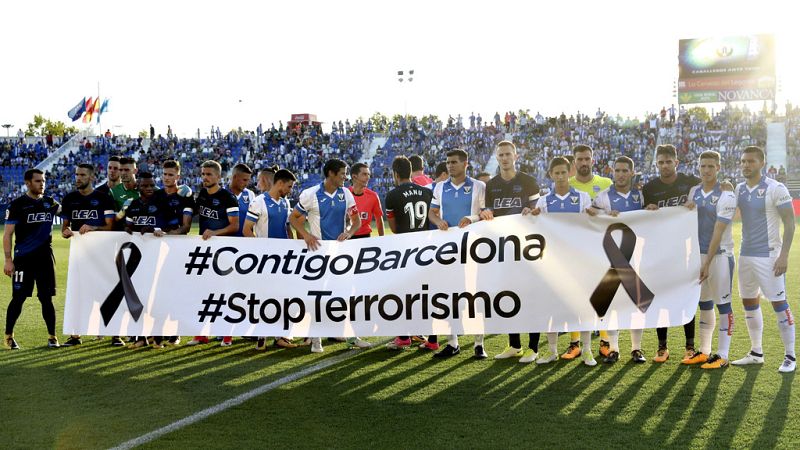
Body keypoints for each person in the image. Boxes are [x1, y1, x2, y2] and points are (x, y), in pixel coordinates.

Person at [289, 158, 369, 353]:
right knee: (318, 297)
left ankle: (352, 337)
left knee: (345, 296)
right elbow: (293, 218)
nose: (345, 177)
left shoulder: (346, 193)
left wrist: (349, 232)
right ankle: (316, 339)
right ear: (331, 174)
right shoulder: (310, 194)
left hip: (340, 255)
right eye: (342, 174)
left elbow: (356, 221)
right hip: (318, 255)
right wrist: (306, 235)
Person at [730, 146, 796, 373]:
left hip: (769, 256)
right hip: (745, 255)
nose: (746, 165)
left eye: (751, 161)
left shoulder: (776, 188)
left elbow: (790, 223)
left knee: (779, 304)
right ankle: (756, 352)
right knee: (749, 303)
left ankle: (790, 356)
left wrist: (783, 255)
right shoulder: (739, 189)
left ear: (762, 163)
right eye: (743, 161)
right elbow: (729, 214)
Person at [529, 156, 598, 366]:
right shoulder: (543, 201)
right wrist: (530, 215)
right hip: (553, 261)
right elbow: (535, 227)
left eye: (563, 172)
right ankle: (551, 351)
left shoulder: (583, 198)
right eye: (556, 173)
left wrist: (595, 214)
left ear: (570, 173)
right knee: (551, 306)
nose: (560, 176)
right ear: (551, 174)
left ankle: (587, 350)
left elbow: (592, 223)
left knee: (583, 306)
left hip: (578, 260)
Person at [481, 141, 541, 363]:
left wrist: (532, 211)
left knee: (530, 295)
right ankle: (514, 344)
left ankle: (533, 347)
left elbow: (539, 210)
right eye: (501, 155)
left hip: (527, 247)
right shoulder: (491, 185)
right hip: (503, 248)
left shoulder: (528, 181)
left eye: (508, 154)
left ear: (516, 156)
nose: (505, 158)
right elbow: (488, 211)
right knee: (507, 296)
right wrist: (486, 213)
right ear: (497, 158)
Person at [426, 148, 488, 359]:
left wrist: (472, 218)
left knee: (475, 295)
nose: (450, 166)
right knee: (449, 295)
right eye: (448, 162)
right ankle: (452, 342)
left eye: (454, 162)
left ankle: (479, 344)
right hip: (448, 250)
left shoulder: (479, 186)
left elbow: (486, 213)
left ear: (465, 164)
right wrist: (438, 221)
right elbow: (432, 212)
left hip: (473, 249)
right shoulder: (440, 187)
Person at [643, 144, 701, 363]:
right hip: (660, 251)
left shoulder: (691, 182)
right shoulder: (649, 188)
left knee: (687, 297)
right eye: (661, 162)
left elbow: (712, 187)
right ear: (656, 164)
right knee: (660, 297)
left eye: (669, 162)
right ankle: (662, 347)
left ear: (676, 162)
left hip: (686, 249)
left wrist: (725, 184)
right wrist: (646, 211)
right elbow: (642, 218)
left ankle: (690, 346)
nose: (665, 166)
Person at [680, 151, 737, 369]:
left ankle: (723, 355)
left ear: (718, 168)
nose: (706, 170)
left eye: (711, 166)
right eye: (703, 166)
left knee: (723, 305)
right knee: (704, 303)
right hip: (698, 255)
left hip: (720, 256)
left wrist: (706, 262)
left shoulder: (726, 194)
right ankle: (704, 351)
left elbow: (718, 232)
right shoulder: (694, 191)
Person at [591, 156, 647, 363]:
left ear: (632, 173)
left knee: (636, 302)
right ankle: (613, 349)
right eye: (618, 170)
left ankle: (636, 349)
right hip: (611, 258)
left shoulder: (640, 196)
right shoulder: (604, 196)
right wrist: (603, 214)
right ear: (612, 172)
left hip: (636, 256)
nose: (621, 174)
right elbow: (591, 215)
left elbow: (650, 218)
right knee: (612, 303)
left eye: (625, 171)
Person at [3, 169, 61, 350]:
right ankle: (8, 336)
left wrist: (68, 226)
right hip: (23, 259)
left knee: (46, 298)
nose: (42, 184)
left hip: (45, 259)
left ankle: (52, 337)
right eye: (38, 181)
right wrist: (8, 260)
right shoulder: (17, 205)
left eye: (43, 180)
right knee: (18, 298)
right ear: (28, 183)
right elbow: (7, 234)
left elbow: (67, 215)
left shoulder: (50, 202)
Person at [59, 164, 116, 347]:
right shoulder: (69, 199)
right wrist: (66, 231)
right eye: (77, 174)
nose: (78, 178)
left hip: (102, 253)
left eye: (82, 175)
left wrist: (93, 227)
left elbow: (110, 227)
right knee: (78, 293)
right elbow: (64, 228)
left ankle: (115, 334)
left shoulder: (104, 198)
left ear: (92, 177)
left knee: (107, 292)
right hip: (80, 255)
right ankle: (75, 335)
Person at [243, 168, 298, 351]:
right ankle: (261, 336)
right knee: (264, 297)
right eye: (289, 186)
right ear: (280, 183)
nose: (290, 190)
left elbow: (287, 229)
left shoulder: (285, 203)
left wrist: (292, 248)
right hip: (265, 260)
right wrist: (261, 251)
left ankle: (281, 336)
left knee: (283, 297)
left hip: (284, 259)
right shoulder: (259, 202)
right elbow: (246, 229)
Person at [186, 160, 240, 347]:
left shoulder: (227, 197)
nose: (205, 177)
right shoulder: (202, 194)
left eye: (209, 174)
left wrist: (215, 233)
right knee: (203, 293)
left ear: (218, 176)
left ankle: (227, 335)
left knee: (223, 294)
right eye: (203, 174)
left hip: (224, 252)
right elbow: (191, 212)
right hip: (205, 251)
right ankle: (202, 334)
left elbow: (235, 226)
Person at [567, 144, 613, 360]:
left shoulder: (606, 184)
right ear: (574, 162)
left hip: (601, 248)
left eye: (587, 159)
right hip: (574, 250)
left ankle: (605, 341)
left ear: (592, 160)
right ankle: (574, 343)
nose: (584, 163)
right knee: (575, 295)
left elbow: (614, 212)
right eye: (580, 159)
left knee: (603, 295)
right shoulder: (566, 185)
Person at [384, 156, 434, 350]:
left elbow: (394, 228)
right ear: (411, 171)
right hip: (426, 249)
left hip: (405, 250)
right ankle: (430, 337)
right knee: (426, 294)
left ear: (396, 174)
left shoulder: (392, 195)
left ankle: (404, 336)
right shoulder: (427, 192)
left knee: (404, 294)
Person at [124, 172, 176, 349]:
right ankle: (141, 337)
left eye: (152, 185)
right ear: (138, 186)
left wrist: (157, 229)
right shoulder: (134, 205)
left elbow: (174, 227)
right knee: (139, 296)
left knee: (157, 297)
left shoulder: (162, 203)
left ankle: (158, 337)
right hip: (137, 258)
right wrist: (128, 228)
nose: (149, 188)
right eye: (145, 185)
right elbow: (128, 225)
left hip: (159, 257)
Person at [348, 163, 384, 239]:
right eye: (364, 174)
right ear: (354, 177)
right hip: (346, 237)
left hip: (365, 238)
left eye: (368, 174)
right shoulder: (344, 194)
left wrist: (382, 240)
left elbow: (379, 220)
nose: (368, 177)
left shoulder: (373, 196)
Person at [110, 157, 139, 231]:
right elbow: (112, 221)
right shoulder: (114, 192)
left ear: (135, 171)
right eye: (120, 170)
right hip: (125, 233)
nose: (123, 173)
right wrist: (123, 211)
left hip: (146, 233)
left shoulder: (148, 189)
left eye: (126, 170)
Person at [228, 163, 255, 236]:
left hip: (245, 241)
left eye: (248, 180)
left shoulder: (250, 194)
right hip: (226, 241)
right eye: (244, 180)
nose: (247, 184)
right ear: (235, 177)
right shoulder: (221, 193)